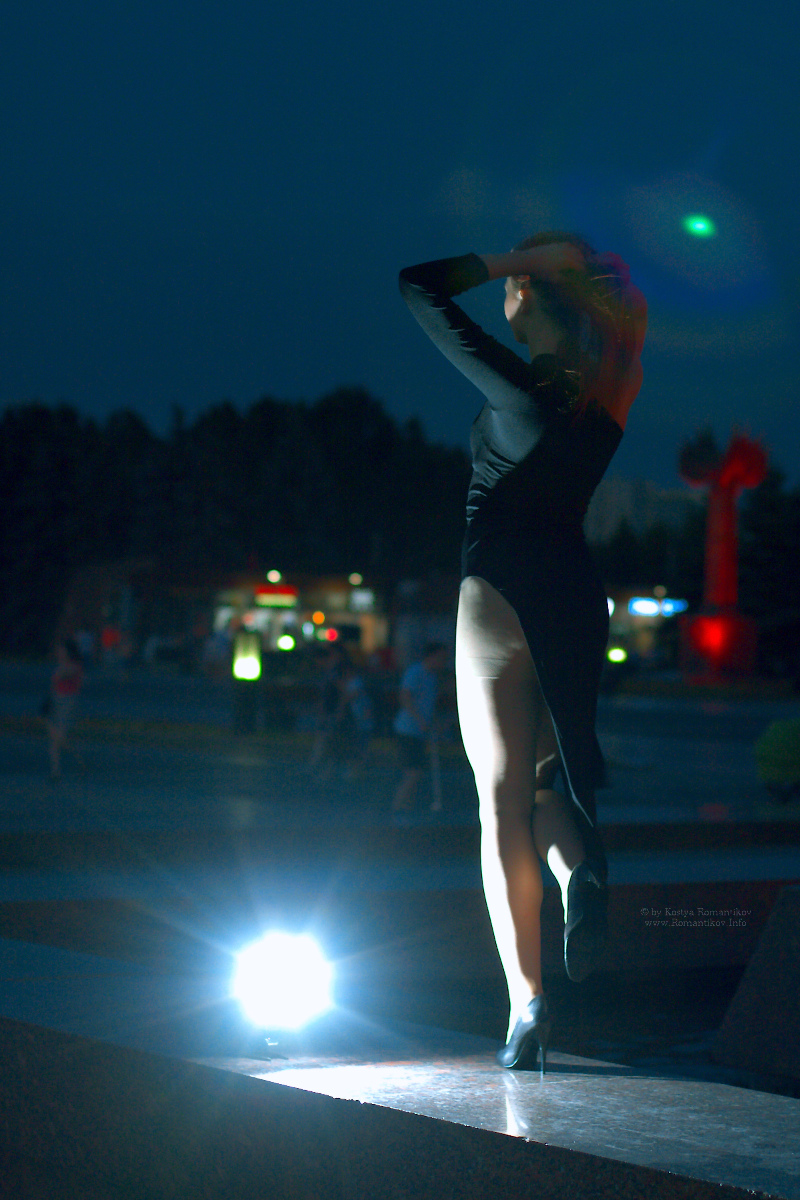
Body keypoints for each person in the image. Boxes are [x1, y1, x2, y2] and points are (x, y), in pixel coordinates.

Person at [399, 235, 646, 1073]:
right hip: (574, 597)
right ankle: (579, 866)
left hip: (498, 589)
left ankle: (525, 1003)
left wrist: (510, 259)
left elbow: (419, 289)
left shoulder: (514, 391)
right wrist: (575, 272)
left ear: (530, 301)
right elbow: (633, 319)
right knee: (546, 784)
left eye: (521, 288)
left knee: (499, 803)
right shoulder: (611, 391)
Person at [392, 642, 448, 811]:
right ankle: (397, 808)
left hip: (419, 731)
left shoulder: (432, 677)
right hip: (408, 729)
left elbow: (429, 704)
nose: (444, 661)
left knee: (416, 771)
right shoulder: (416, 671)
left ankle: (406, 807)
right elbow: (404, 696)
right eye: (442, 657)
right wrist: (420, 720)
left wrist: (432, 723)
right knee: (413, 771)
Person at [43, 636, 85, 779]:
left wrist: (61, 665)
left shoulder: (74, 665)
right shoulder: (61, 664)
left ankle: (78, 758)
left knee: (60, 737)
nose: (59, 652)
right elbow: (54, 683)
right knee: (53, 738)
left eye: (62, 650)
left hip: (68, 702)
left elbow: (63, 675)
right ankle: (55, 772)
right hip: (56, 700)